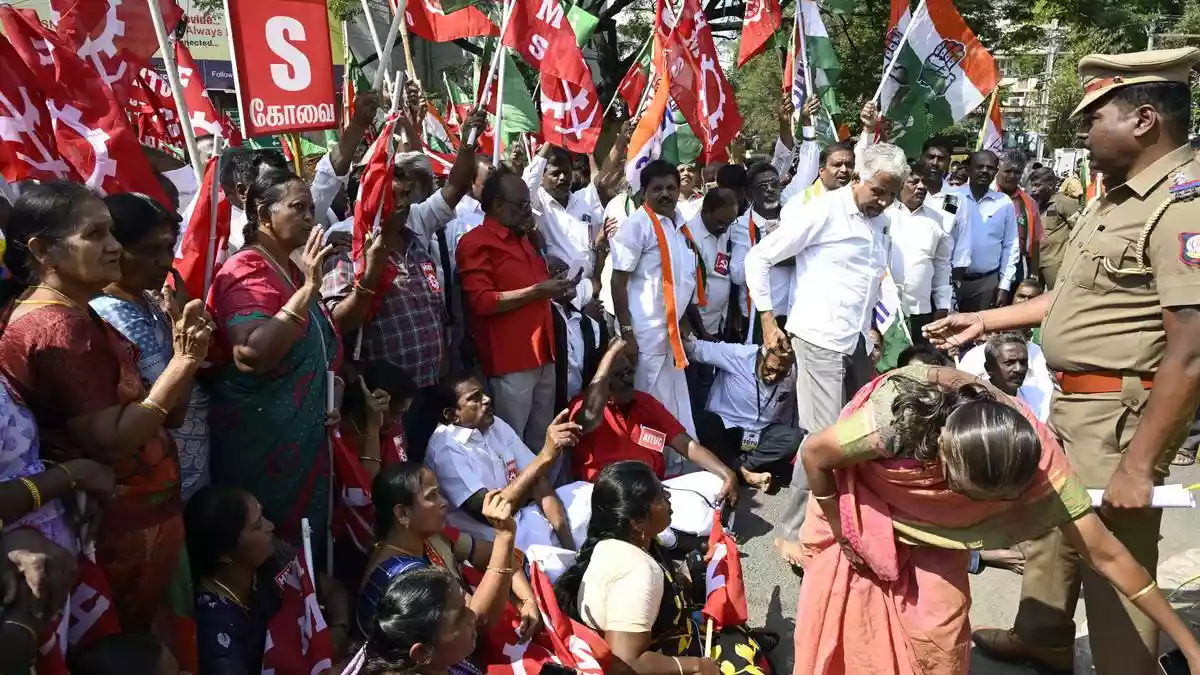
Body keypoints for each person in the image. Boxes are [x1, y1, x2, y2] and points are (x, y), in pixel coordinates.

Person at [926, 47, 1200, 675]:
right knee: (1051, 525)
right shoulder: (1118, 198)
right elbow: (1072, 295)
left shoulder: (1182, 202)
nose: (1082, 129)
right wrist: (986, 320)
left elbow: (1189, 348)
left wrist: (1138, 465)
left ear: (1144, 119)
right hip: (1074, 405)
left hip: (1119, 420)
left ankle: (1126, 663)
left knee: (1114, 561)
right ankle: (1044, 636)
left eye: (1093, 115)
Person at [794, 363, 1200, 675]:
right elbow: (815, 455)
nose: (982, 512)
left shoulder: (1041, 465)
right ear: (942, 458)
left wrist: (1190, 646)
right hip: (858, 508)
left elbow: (1108, 555)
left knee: (941, 628)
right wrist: (844, 529)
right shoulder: (895, 421)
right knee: (850, 626)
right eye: (970, 497)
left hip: (934, 539)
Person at [0, 183, 211, 639]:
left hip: (138, 514)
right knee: (139, 648)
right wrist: (185, 361)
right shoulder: (56, 326)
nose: (114, 246)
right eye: (95, 235)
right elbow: (111, 438)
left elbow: (159, 414)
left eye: (112, 233)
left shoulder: (69, 311)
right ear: (42, 250)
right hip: (119, 524)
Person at [743, 143, 908, 565]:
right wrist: (768, 321)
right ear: (858, 179)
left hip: (853, 341)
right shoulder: (822, 211)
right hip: (817, 339)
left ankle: (840, 520)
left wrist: (870, 330)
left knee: (858, 435)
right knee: (822, 441)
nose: (884, 201)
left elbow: (870, 279)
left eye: (891, 193)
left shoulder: (881, 222)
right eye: (878, 191)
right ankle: (791, 530)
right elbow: (760, 257)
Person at [322, 109, 487, 458]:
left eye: (409, 193)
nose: (407, 199)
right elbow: (339, 321)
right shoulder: (347, 246)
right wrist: (372, 268)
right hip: (387, 399)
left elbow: (454, 187)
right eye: (396, 193)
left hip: (431, 383)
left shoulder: (414, 236)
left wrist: (470, 138)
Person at [206, 169, 341, 552]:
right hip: (264, 448)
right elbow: (252, 354)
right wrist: (309, 291)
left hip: (307, 444)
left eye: (311, 209)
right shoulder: (245, 269)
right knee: (270, 551)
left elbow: (321, 344)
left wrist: (335, 393)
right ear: (263, 214)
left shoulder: (293, 271)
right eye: (298, 207)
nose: (309, 217)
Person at [553, 461, 767, 675]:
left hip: (652, 637)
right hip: (644, 660)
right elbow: (628, 662)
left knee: (725, 627)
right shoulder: (637, 571)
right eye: (660, 496)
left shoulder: (612, 541)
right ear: (637, 522)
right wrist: (697, 665)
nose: (668, 498)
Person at [92, 193, 210, 501]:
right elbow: (170, 413)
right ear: (115, 251)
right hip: (160, 482)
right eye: (149, 251)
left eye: (169, 247)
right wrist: (185, 344)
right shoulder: (116, 315)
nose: (166, 261)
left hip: (184, 470)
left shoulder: (144, 299)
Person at [357, 463, 542, 650]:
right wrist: (504, 536)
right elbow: (476, 621)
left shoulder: (431, 536)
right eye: (431, 496)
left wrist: (527, 600)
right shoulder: (400, 577)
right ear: (403, 514)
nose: (443, 502)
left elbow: (500, 556)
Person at [457, 167, 574, 463]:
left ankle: (541, 499)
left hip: (544, 356)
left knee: (541, 441)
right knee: (510, 446)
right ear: (498, 206)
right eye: (521, 205)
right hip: (510, 362)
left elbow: (536, 291)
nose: (527, 211)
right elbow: (482, 302)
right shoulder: (476, 243)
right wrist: (537, 290)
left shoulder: (524, 240)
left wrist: (556, 290)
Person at [185, 485, 352, 675]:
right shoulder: (215, 629)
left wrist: (338, 630)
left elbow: (333, 590)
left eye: (263, 516)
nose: (270, 526)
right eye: (257, 526)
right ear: (223, 554)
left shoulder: (274, 557)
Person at [424, 372, 580, 551]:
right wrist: (545, 455)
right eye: (475, 398)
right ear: (452, 415)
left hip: (526, 520)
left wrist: (568, 544)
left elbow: (539, 483)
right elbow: (493, 514)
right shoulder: (446, 449)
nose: (487, 399)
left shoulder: (494, 423)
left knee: (584, 496)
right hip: (494, 542)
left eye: (483, 393)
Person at [610, 160, 704, 456]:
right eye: (657, 189)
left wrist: (684, 323)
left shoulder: (680, 226)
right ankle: (648, 466)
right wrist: (627, 332)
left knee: (675, 405)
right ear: (644, 192)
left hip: (671, 336)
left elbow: (681, 282)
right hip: (645, 335)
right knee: (647, 405)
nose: (665, 194)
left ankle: (679, 466)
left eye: (671, 188)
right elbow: (617, 281)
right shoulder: (637, 225)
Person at [571, 339, 738, 503]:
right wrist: (611, 353)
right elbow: (590, 415)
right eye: (616, 375)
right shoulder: (581, 408)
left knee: (716, 483)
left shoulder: (645, 402)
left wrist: (727, 472)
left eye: (629, 372)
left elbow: (686, 445)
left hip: (654, 494)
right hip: (611, 499)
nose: (627, 380)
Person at [687, 336, 802, 490]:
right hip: (725, 429)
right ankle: (745, 473)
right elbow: (695, 349)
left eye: (782, 373)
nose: (774, 377)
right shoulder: (738, 355)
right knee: (704, 421)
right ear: (760, 356)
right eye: (770, 369)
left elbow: (788, 412)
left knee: (793, 437)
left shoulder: (791, 373)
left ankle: (737, 469)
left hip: (758, 435)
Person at [354, 567, 482, 675]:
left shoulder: (443, 661)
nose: (473, 616)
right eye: (459, 619)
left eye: (465, 606)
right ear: (423, 652)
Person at [947, 151, 1019, 311]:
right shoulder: (952, 198)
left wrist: (1004, 285)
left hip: (987, 283)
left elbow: (1011, 245)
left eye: (990, 168)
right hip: (951, 281)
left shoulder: (1004, 202)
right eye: (980, 167)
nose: (985, 171)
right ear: (969, 169)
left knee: (982, 334)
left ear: (996, 171)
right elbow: (943, 234)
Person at [730, 162, 792, 346]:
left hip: (794, 313)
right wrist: (767, 246)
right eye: (763, 186)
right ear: (750, 194)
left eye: (774, 183)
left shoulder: (794, 217)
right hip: (760, 316)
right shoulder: (740, 226)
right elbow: (737, 275)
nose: (771, 189)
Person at [889, 165, 953, 341]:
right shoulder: (884, 216)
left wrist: (942, 305)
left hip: (920, 309)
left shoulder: (937, 219)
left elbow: (942, 266)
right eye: (914, 181)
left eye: (924, 182)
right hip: (886, 308)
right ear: (900, 184)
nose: (922, 186)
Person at [546, 256, 608, 411]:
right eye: (560, 271)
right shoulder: (546, 322)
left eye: (569, 270)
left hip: (582, 409)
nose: (569, 276)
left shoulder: (585, 321)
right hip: (553, 412)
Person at [995, 149, 1043, 291]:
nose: (1012, 176)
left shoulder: (1029, 203)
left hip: (1017, 266)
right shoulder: (986, 197)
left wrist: (1033, 273)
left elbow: (1035, 241)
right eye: (1007, 171)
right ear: (998, 169)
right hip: (989, 267)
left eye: (1017, 172)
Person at [1028, 167, 1082, 288]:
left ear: (1050, 185)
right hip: (1035, 262)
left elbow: (1080, 230)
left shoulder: (1064, 203)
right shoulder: (1033, 203)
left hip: (1055, 263)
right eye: (1032, 186)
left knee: (1055, 296)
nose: (1033, 190)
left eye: (1037, 185)